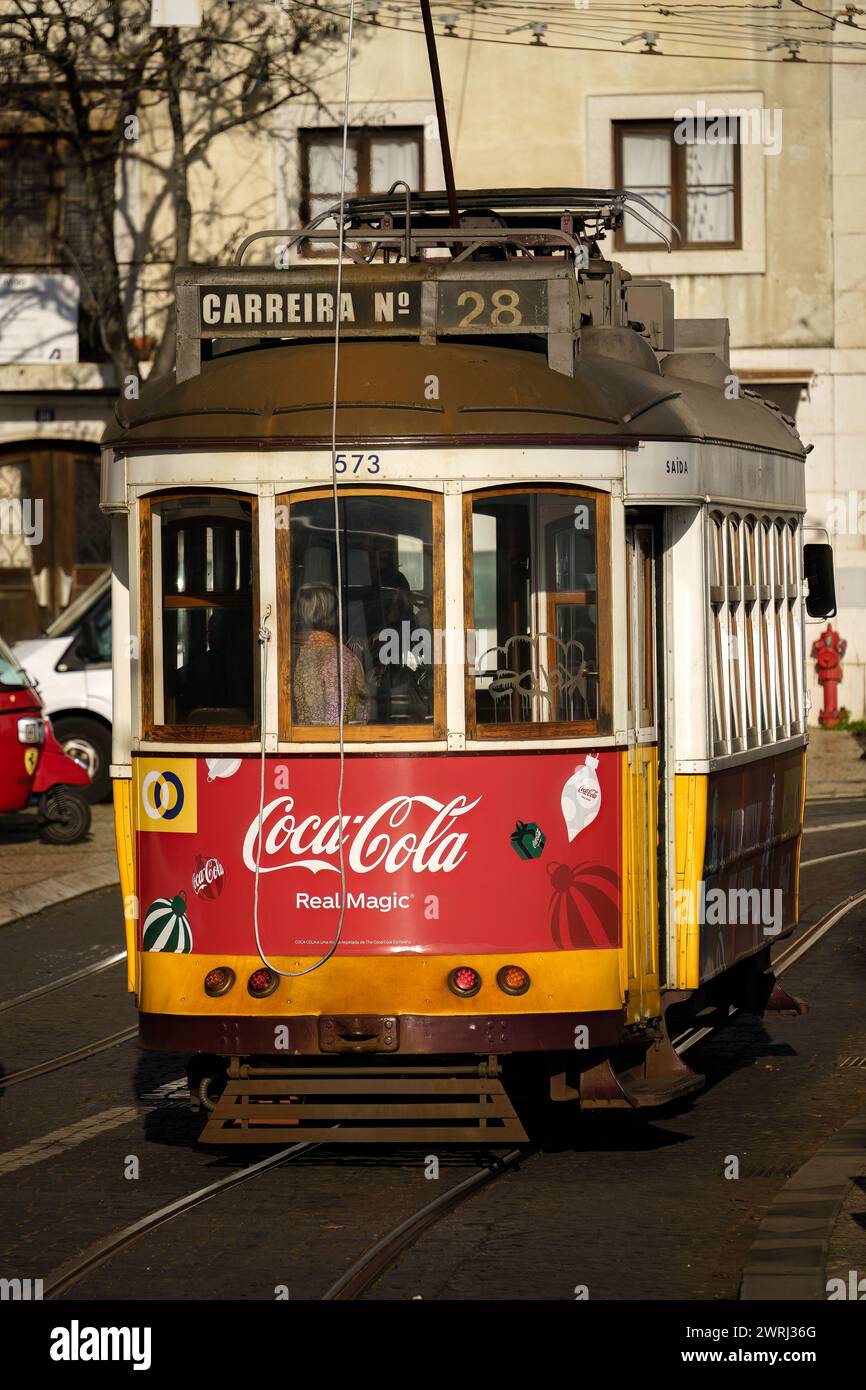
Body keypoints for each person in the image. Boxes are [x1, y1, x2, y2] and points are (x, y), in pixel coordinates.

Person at [292, 583, 369, 725]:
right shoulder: (347, 658)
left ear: (299, 612)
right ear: (334, 615)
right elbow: (361, 712)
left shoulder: (284, 654)